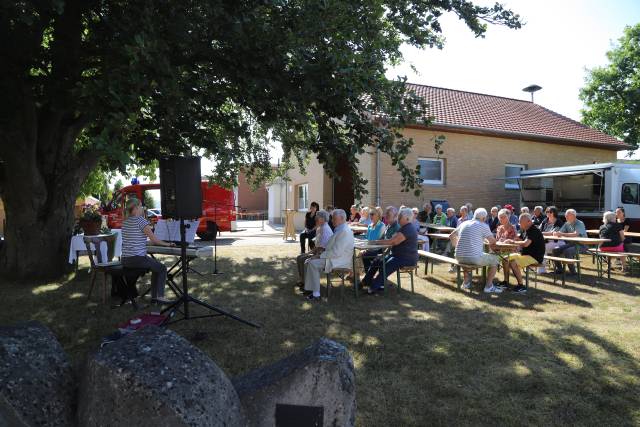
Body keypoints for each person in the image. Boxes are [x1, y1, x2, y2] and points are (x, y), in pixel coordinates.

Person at [121, 198, 174, 305]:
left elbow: (137, 240)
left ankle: (155, 297)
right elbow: (154, 239)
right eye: (141, 206)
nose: (143, 209)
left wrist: (153, 242)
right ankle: (160, 296)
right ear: (135, 208)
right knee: (162, 268)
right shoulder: (141, 220)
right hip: (137, 259)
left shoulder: (125, 222)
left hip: (125, 259)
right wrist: (168, 244)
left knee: (156, 268)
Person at [361, 208, 418, 295]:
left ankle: (372, 288)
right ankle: (366, 282)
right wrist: (383, 253)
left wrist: (376, 242)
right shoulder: (404, 227)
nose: (398, 218)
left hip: (406, 258)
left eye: (400, 216)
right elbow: (392, 242)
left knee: (386, 267)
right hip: (398, 256)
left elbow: (393, 241)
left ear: (407, 218)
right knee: (377, 261)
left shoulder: (407, 228)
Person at [303, 209, 354, 301]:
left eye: (334, 219)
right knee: (310, 261)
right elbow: (332, 247)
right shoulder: (340, 229)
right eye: (332, 218)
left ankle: (316, 294)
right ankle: (310, 289)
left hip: (339, 260)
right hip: (335, 257)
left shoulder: (344, 231)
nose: (332, 220)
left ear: (342, 219)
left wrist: (319, 255)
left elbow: (336, 252)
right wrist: (320, 252)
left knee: (312, 263)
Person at [449, 208, 501, 293]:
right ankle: (489, 286)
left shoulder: (464, 223)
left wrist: (456, 246)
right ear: (484, 218)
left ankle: (466, 282)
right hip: (473, 258)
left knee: (469, 256)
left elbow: (451, 236)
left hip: (458, 256)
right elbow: (492, 241)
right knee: (495, 259)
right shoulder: (483, 225)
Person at [503, 213, 546, 294]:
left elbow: (526, 243)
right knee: (505, 258)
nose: (519, 224)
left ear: (529, 221)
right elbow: (518, 239)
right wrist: (507, 239)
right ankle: (505, 282)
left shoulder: (534, 230)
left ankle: (521, 286)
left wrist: (513, 241)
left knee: (513, 262)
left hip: (534, 257)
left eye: (521, 222)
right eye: (519, 222)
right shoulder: (525, 229)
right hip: (525, 255)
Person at [296, 210, 333, 286]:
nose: (315, 218)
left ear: (323, 219)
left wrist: (312, 255)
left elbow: (322, 248)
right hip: (319, 252)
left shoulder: (325, 229)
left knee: (305, 259)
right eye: (316, 216)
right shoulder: (320, 228)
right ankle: (303, 280)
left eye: (317, 217)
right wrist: (309, 253)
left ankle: (307, 283)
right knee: (300, 257)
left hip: (323, 255)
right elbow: (317, 246)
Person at [362, 206, 400, 271]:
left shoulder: (395, 227)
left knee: (373, 258)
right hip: (381, 250)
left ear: (395, 216)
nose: (386, 216)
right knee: (364, 255)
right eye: (386, 214)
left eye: (388, 214)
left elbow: (391, 243)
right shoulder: (388, 225)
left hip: (389, 252)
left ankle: (368, 279)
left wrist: (382, 253)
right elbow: (381, 238)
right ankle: (367, 278)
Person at [550, 209, 586, 275]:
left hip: (581, 245)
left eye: (567, 216)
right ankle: (560, 269)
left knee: (568, 251)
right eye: (565, 216)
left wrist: (562, 234)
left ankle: (573, 272)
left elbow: (575, 234)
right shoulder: (567, 223)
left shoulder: (579, 223)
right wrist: (556, 233)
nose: (565, 217)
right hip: (571, 244)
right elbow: (560, 232)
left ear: (573, 216)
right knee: (555, 250)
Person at [538, 206, 563, 273]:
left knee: (542, 248)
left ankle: (541, 269)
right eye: (547, 212)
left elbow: (553, 233)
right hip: (546, 241)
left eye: (550, 212)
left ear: (554, 213)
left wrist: (542, 233)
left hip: (557, 242)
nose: (548, 213)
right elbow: (539, 230)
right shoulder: (545, 220)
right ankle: (537, 267)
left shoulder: (558, 221)